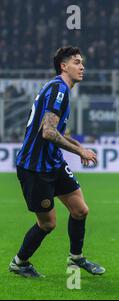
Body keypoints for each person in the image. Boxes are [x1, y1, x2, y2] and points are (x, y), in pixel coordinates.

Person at [10, 47, 105, 278]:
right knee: (47, 224)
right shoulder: (58, 90)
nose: (82, 66)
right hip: (35, 168)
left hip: (53, 162)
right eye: (76, 62)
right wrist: (79, 151)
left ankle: (76, 258)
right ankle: (20, 263)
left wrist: (79, 147)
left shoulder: (59, 89)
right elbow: (48, 133)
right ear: (63, 66)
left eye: (82, 62)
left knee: (80, 210)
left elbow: (56, 131)